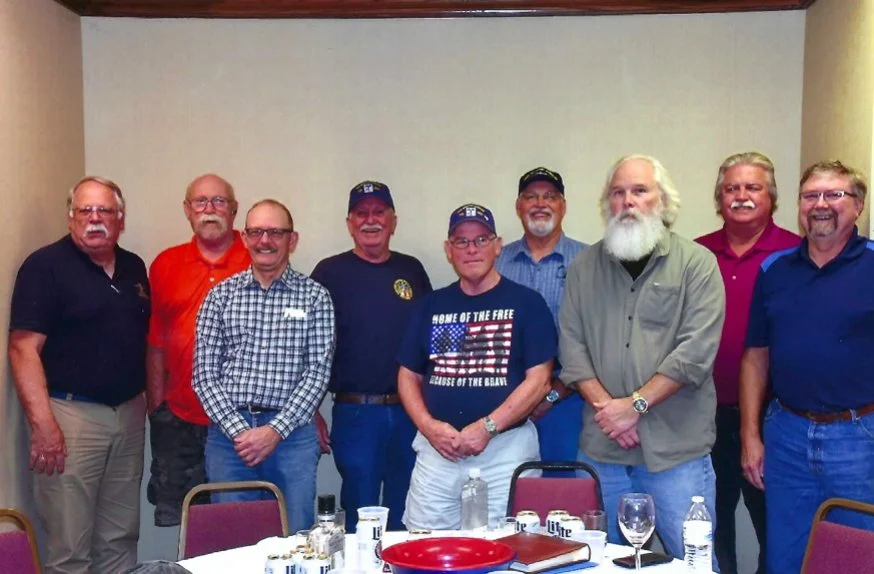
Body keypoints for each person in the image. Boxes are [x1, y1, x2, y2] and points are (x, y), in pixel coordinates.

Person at [558, 155, 725, 564]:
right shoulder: (583, 267)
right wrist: (611, 414)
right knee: (596, 564)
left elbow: (695, 352)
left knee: (696, 564)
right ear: (607, 204)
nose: (627, 201)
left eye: (639, 191)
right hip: (603, 451)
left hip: (676, 453)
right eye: (618, 193)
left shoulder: (696, 264)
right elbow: (572, 350)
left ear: (663, 202)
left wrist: (634, 407)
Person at [9, 176, 150, 574]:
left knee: (120, 537)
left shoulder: (133, 266)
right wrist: (43, 424)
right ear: (70, 217)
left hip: (128, 414)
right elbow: (23, 349)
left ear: (120, 218)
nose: (94, 219)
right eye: (84, 211)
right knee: (70, 546)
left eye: (104, 210)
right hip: (70, 419)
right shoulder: (44, 267)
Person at [740, 160, 874, 574]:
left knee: (856, 556)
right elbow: (756, 355)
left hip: (859, 437)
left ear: (858, 205)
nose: (821, 204)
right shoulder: (774, 270)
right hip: (787, 435)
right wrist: (751, 436)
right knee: (786, 558)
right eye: (811, 196)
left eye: (834, 194)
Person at [397, 203, 557, 530]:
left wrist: (488, 427)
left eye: (481, 240)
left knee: (505, 549)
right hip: (438, 452)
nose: (471, 249)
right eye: (461, 241)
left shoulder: (527, 304)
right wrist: (428, 426)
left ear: (498, 246)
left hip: (505, 452)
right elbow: (408, 376)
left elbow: (540, 380)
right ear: (448, 250)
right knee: (425, 547)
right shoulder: (431, 305)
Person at [192, 198, 335, 532]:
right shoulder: (220, 296)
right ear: (244, 238)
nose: (265, 241)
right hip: (230, 441)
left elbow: (317, 373)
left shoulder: (315, 297)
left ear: (292, 239)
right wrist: (240, 432)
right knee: (233, 541)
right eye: (256, 232)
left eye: (275, 232)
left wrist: (274, 431)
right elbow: (204, 375)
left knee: (296, 538)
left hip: (292, 438)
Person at [695, 152, 799, 574]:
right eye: (731, 188)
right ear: (719, 199)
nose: (741, 196)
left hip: (773, 419)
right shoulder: (696, 254)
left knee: (775, 530)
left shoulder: (796, 253)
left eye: (752, 187)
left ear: (771, 197)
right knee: (710, 529)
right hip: (703, 416)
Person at [311, 180, 432, 531]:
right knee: (360, 512)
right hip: (356, 413)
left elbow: (429, 343)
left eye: (379, 212)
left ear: (393, 220)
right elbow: (310, 349)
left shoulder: (411, 270)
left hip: (410, 413)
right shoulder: (329, 273)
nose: (370, 220)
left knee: (407, 508)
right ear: (349, 223)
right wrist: (313, 412)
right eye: (361, 213)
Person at [145, 174, 250, 527]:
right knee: (188, 524)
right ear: (188, 210)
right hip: (179, 418)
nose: (210, 210)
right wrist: (157, 410)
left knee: (241, 521)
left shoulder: (258, 258)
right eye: (201, 202)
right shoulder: (164, 264)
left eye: (219, 202)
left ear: (234, 210)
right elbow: (156, 344)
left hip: (242, 420)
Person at [496, 167, 586, 470]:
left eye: (550, 196)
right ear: (518, 206)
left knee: (561, 493)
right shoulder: (496, 262)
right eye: (531, 197)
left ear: (563, 205)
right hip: (502, 400)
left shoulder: (590, 263)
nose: (540, 204)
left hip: (569, 399)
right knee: (508, 494)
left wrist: (552, 394)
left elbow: (597, 339)